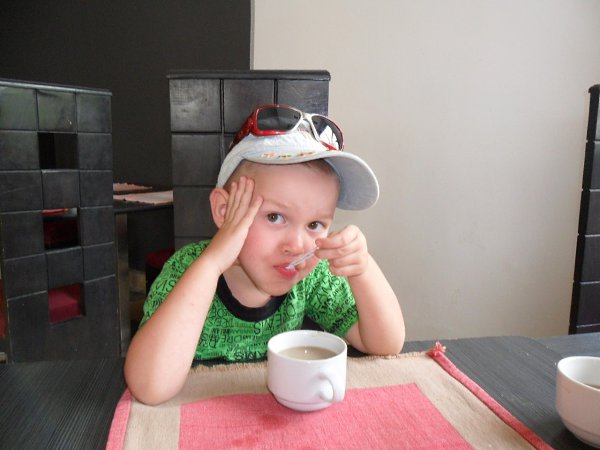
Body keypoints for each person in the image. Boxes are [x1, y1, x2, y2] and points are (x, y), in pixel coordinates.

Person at [124, 104, 405, 405]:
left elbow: (386, 344)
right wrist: (212, 265)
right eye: (274, 217)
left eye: (314, 224)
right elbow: (149, 387)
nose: (298, 245)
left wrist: (363, 269)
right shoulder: (186, 271)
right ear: (224, 211)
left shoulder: (312, 278)